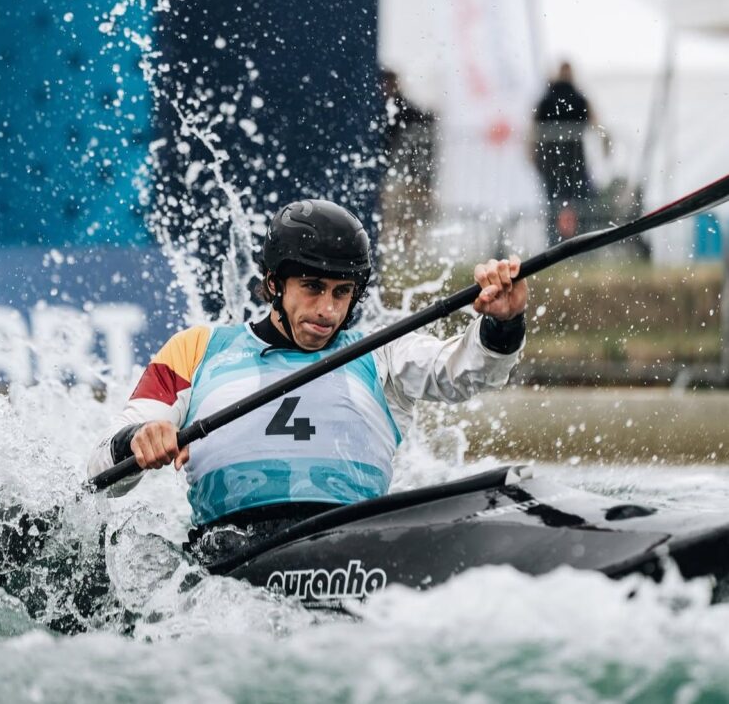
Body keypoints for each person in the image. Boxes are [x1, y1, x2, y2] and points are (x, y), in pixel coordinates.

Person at [88, 198, 528, 561]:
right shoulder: (195, 349)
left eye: (341, 293)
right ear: (274, 283)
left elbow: (465, 371)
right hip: (229, 558)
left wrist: (503, 323)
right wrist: (139, 439)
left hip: (354, 549)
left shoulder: (382, 352)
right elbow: (101, 473)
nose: (327, 311)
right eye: (312, 287)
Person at [530, 61, 610, 240]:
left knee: (554, 205)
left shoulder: (546, 99)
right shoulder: (578, 98)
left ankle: (554, 244)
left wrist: (533, 155)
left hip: (551, 162)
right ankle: (583, 243)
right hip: (574, 162)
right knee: (580, 205)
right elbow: (596, 121)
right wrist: (605, 141)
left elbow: (533, 129)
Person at [379, 69, 437, 252]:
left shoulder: (403, 109)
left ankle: (408, 254)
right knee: (393, 219)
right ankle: (397, 252)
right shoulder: (394, 108)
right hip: (395, 175)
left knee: (408, 218)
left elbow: (422, 139)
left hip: (403, 175)